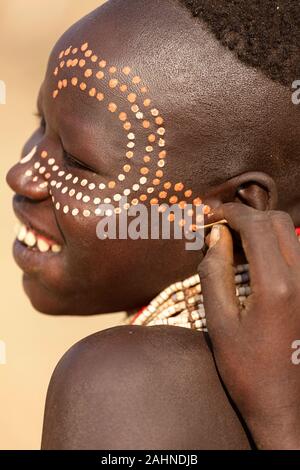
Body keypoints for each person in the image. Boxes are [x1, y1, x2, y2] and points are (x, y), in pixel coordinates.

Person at [6, 0, 300, 449]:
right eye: (40, 120)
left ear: (240, 207)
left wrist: (281, 425)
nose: (21, 174)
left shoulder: (125, 382)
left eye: (77, 160)